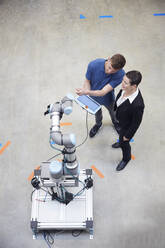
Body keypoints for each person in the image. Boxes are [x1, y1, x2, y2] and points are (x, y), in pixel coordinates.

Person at [76, 54, 126, 137]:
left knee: (113, 112)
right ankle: (98, 124)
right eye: (109, 67)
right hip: (93, 97)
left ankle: (116, 123)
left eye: (113, 71)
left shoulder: (120, 74)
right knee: (97, 113)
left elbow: (103, 92)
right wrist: (86, 95)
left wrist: (86, 92)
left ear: (119, 70)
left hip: (108, 98)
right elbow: (87, 81)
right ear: (109, 59)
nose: (109, 72)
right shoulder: (94, 64)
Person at [112, 70, 145, 171]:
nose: (122, 84)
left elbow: (136, 123)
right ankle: (121, 141)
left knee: (124, 143)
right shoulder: (125, 89)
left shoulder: (138, 104)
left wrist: (128, 136)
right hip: (121, 120)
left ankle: (126, 158)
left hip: (127, 126)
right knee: (121, 136)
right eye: (123, 80)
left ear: (134, 86)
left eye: (125, 83)